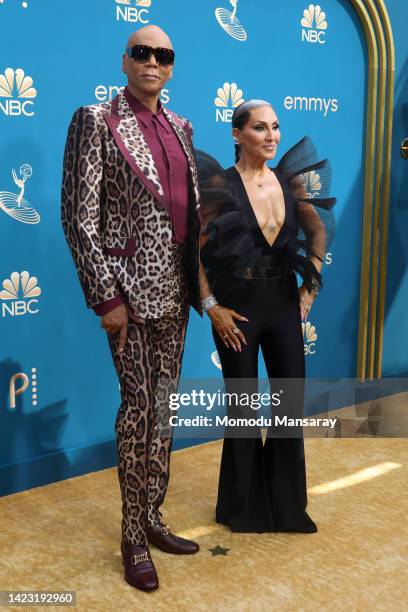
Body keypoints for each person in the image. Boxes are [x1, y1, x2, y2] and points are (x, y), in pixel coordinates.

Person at [61, 25, 203, 592]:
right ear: (124, 62)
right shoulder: (95, 120)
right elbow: (78, 217)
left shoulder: (183, 127)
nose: (152, 61)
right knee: (138, 408)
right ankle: (132, 536)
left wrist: (205, 290)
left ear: (171, 67)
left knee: (164, 409)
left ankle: (154, 517)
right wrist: (106, 296)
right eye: (141, 52)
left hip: (176, 292)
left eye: (163, 55)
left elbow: (191, 216)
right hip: (128, 295)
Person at [196, 99, 336, 533]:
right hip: (237, 310)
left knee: (288, 404)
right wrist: (211, 307)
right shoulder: (221, 184)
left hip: (282, 306)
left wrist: (309, 287)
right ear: (238, 134)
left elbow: (318, 230)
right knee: (242, 408)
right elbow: (194, 249)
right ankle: (240, 508)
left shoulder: (289, 181)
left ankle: (288, 507)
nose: (272, 135)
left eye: (275, 127)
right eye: (260, 128)